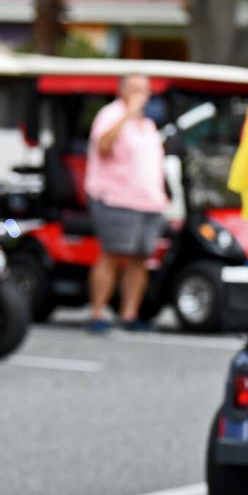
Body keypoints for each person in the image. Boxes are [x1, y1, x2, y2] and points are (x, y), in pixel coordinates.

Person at [84, 74, 168, 333]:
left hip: (148, 202)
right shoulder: (111, 115)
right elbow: (103, 146)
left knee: (140, 258)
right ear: (122, 91)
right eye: (136, 89)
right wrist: (126, 115)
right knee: (111, 255)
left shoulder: (148, 124)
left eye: (145, 89)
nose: (142, 94)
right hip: (115, 198)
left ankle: (129, 314)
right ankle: (98, 312)